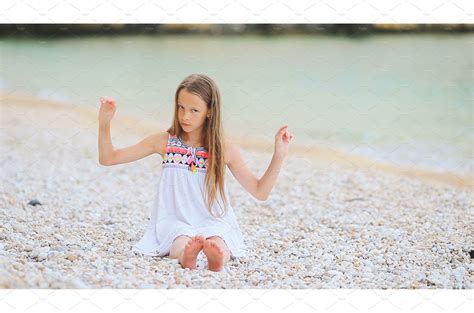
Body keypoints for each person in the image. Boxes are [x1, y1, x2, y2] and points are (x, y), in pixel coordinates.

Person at [98, 73, 293, 272]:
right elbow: (109, 158)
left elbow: (260, 191)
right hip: (175, 219)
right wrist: (105, 123)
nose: (185, 116)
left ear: (209, 112)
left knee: (219, 240)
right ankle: (187, 257)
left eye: (194, 110)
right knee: (180, 240)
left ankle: (217, 259)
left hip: (213, 219)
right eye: (181, 107)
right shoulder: (164, 142)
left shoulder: (224, 149)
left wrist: (279, 155)